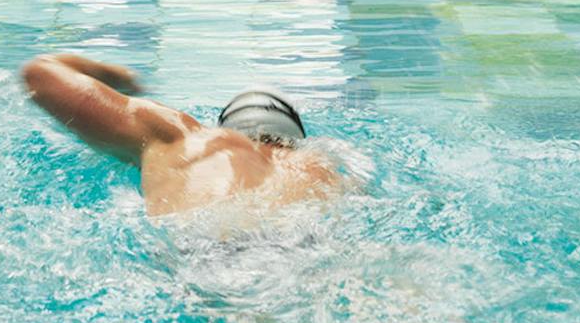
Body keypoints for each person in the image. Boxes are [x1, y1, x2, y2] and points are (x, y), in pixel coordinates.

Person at [20, 52, 341, 218]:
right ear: (294, 136)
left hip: (209, 245)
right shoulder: (321, 167)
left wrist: (118, 76)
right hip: (302, 250)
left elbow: (41, 73)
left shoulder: (182, 138)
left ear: (225, 127)